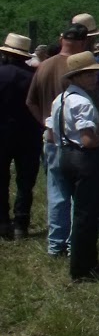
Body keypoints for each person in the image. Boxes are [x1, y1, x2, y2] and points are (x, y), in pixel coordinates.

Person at [45, 52, 99, 282]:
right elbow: (87, 140)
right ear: (79, 77)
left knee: (83, 211)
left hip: (64, 155)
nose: (95, 78)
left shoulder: (60, 99)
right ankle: (81, 269)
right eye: (90, 74)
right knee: (86, 215)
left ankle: (90, 261)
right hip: (84, 159)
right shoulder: (83, 102)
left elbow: (49, 135)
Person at [26, 19, 93, 257]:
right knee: (78, 195)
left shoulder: (44, 66)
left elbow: (31, 102)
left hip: (51, 139)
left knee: (56, 193)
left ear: (61, 39)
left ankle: (55, 244)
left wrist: (47, 125)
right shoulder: (80, 68)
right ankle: (75, 242)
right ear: (83, 42)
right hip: (77, 141)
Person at [0, 32, 42, 242]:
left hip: (2, 133)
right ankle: (21, 223)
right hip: (29, 133)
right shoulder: (33, 76)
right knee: (25, 181)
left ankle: (2, 221)